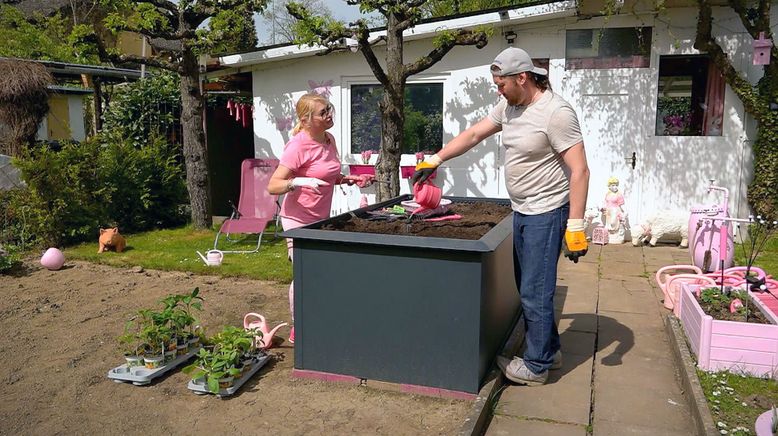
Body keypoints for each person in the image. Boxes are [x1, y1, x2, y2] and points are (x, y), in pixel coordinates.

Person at [412, 47, 590, 386]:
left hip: (547, 211)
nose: (498, 90)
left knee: (535, 291)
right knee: (529, 287)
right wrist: (435, 159)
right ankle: (549, 350)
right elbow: (475, 134)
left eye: (501, 83)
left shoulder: (556, 112)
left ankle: (537, 366)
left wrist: (576, 225)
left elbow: (580, 170)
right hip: (522, 210)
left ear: (522, 78)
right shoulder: (510, 107)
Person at [268, 93, 373, 344]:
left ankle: (320, 317)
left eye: (330, 109)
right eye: (323, 112)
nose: (329, 115)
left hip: (319, 218)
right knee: (304, 272)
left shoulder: (329, 139)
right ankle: (299, 327)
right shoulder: (298, 145)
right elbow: (273, 185)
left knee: (322, 271)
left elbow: (326, 174)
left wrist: (347, 179)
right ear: (306, 120)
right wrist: (300, 181)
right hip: (297, 219)